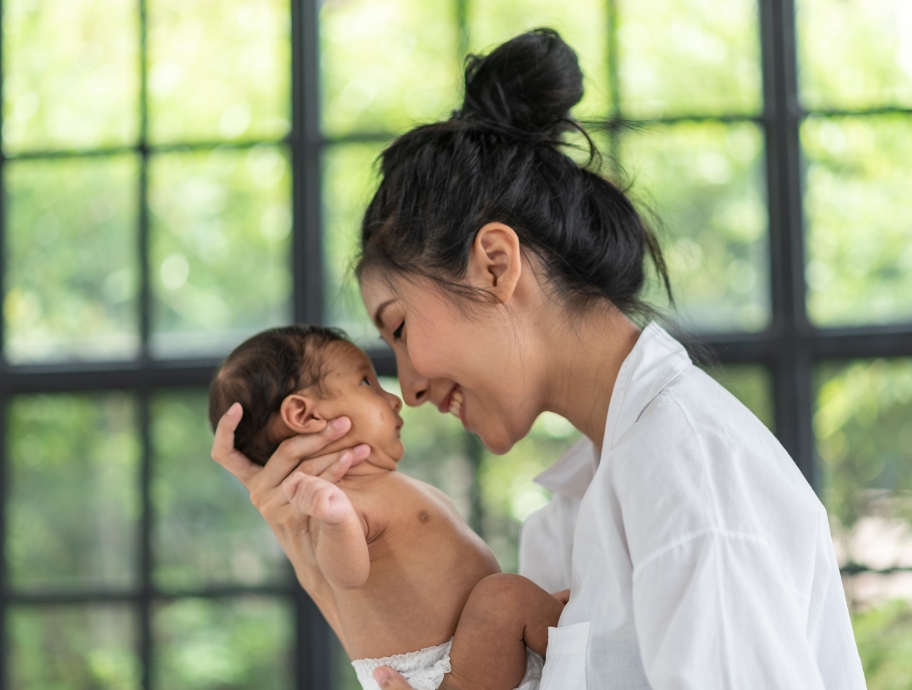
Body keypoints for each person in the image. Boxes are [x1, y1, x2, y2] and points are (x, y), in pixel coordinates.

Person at [213, 29, 868, 689]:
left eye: (401, 329)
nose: (408, 389)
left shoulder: (686, 473)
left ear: (496, 265)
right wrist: (330, 584)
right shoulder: (572, 514)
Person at [208, 324, 561, 690]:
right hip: (445, 673)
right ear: (305, 415)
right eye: (367, 382)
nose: (394, 399)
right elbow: (347, 575)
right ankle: (567, 631)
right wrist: (337, 520)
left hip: (477, 649)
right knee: (506, 597)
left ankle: (550, 625)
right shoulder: (336, 503)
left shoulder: (379, 484)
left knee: (513, 600)